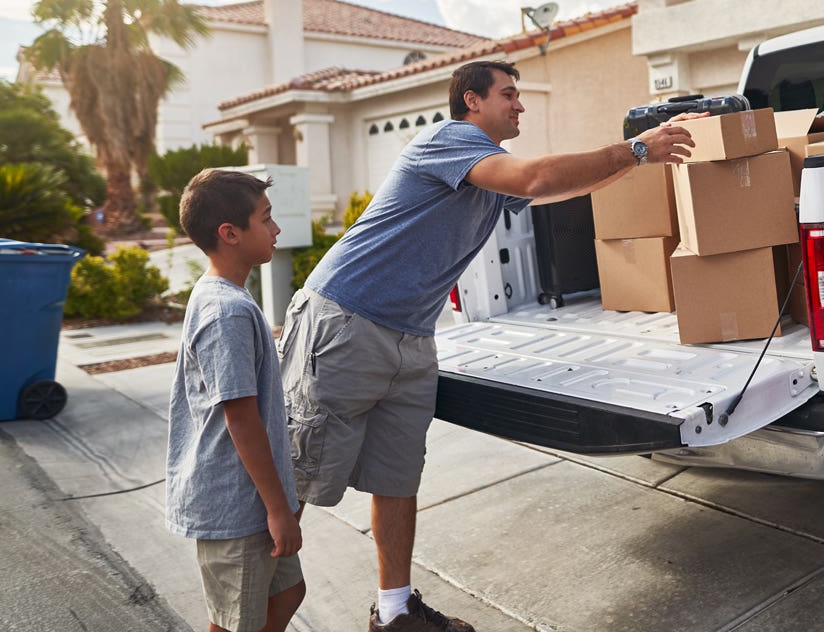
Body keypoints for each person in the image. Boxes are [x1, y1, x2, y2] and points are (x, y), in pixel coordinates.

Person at [278, 59, 695, 632]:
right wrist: (637, 148)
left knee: (397, 478)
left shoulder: (487, 173)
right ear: (471, 101)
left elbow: (566, 186)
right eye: (508, 94)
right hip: (347, 320)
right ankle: (249, 613)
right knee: (297, 474)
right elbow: (537, 179)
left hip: (412, 335)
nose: (519, 105)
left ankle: (394, 612)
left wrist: (637, 159)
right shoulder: (449, 141)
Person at [166, 168, 305, 632]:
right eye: (265, 218)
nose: (276, 228)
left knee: (286, 592)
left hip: (251, 497)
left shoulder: (228, 298)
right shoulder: (225, 311)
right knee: (234, 622)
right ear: (230, 233)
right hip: (235, 503)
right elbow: (240, 419)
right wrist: (278, 509)